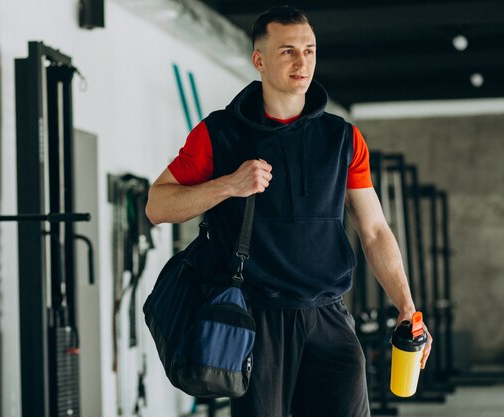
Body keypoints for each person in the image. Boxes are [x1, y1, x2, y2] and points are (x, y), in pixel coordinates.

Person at [145, 5, 432, 417]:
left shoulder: (343, 138)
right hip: (257, 319)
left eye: (310, 50)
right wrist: (230, 184)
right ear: (259, 59)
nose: (302, 62)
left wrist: (406, 305)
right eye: (288, 51)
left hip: (329, 314)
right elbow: (157, 204)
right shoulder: (219, 132)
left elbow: (374, 230)